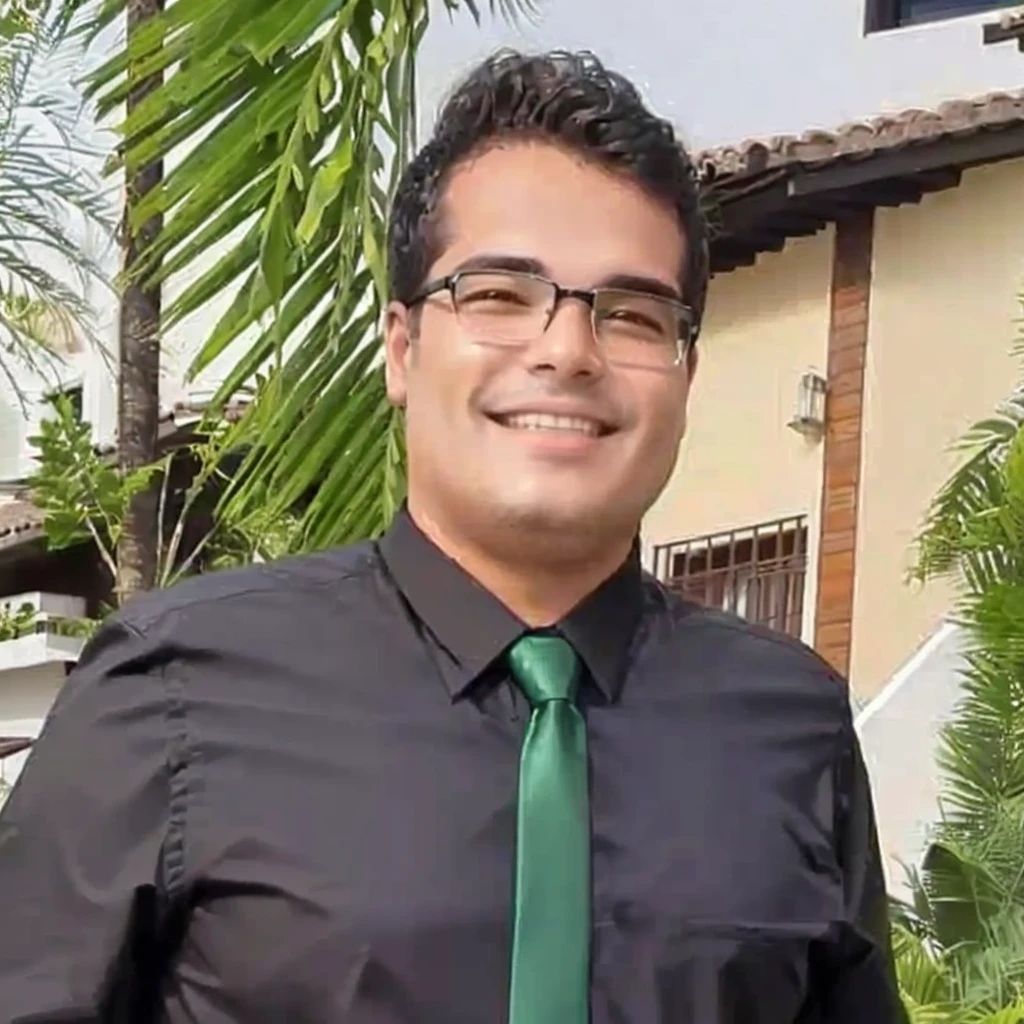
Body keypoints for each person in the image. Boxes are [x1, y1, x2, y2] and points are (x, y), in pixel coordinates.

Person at [0, 49, 905, 1024]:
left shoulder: (788, 727)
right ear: (402, 348)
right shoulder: (171, 690)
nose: (565, 349)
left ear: (684, 374)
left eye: (632, 314)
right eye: (499, 295)